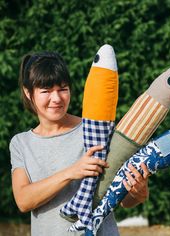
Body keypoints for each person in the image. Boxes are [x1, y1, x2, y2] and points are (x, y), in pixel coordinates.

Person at [10, 51, 150, 236]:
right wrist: (71, 172)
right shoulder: (21, 143)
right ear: (28, 93)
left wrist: (138, 192)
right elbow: (23, 200)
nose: (57, 98)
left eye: (63, 89)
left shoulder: (96, 130)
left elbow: (124, 201)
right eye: (46, 91)